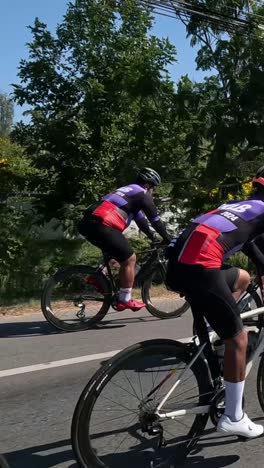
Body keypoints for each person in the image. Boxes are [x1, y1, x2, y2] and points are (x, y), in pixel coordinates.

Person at [165, 166, 264, 438]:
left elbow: (248, 243)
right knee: (239, 339)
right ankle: (234, 417)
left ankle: (217, 330)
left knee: (241, 277)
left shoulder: (238, 206)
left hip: (176, 266)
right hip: (200, 267)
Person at [78, 167, 171, 311]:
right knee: (130, 259)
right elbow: (155, 220)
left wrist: (152, 236)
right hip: (103, 224)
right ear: (148, 185)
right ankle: (125, 299)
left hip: (87, 223)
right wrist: (167, 238)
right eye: (153, 189)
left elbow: (142, 222)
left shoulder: (127, 192)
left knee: (117, 254)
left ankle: (97, 277)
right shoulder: (142, 193)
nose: (153, 192)